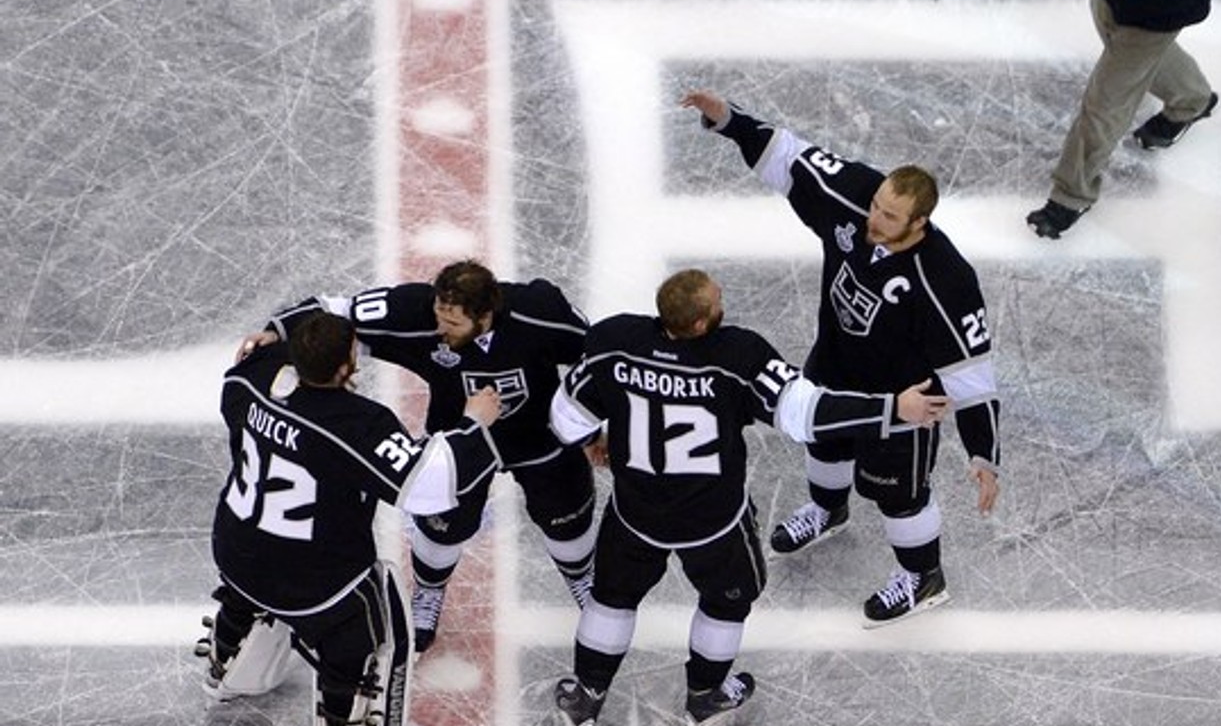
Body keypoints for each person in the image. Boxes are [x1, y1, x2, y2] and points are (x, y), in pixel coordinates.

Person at [547, 269, 952, 726]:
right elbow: (807, 417)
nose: (724, 303)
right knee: (725, 604)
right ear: (700, 323)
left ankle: (586, 696)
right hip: (715, 522)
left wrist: (592, 441)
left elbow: (565, 421)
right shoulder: (738, 356)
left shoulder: (613, 341)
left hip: (635, 513)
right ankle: (706, 694)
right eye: (717, 302)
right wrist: (893, 408)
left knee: (611, 598)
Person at [680, 89, 1001, 629]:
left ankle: (923, 578)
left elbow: (972, 371)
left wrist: (984, 453)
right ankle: (829, 510)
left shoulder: (946, 278)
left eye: (891, 216)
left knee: (902, 497)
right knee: (821, 439)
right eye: (877, 205)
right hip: (835, 363)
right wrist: (728, 120)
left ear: (918, 223)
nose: (874, 218)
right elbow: (791, 158)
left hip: (905, 402)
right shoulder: (856, 197)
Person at [240, 260, 599, 652]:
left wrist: (585, 422)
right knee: (443, 525)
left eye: (453, 324)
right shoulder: (417, 311)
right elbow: (335, 312)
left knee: (566, 518)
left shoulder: (541, 310)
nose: (440, 331)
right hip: (457, 439)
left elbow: (598, 355)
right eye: (438, 316)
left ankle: (581, 577)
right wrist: (278, 329)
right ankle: (429, 590)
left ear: (485, 315)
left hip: (540, 436)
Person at [201, 312, 503, 725]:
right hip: (315, 580)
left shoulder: (248, 378)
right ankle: (345, 708)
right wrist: (474, 422)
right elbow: (427, 487)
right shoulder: (360, 425)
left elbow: (261, 365)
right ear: (347, 367)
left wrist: (276, 334)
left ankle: (225, 652)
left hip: (236, 550)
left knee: (245, 583)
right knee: (363, 626)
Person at [1025, 0, 1221, 238]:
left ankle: (1070, 197)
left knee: (1105, 105)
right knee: (1128, 50)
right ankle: (1192, 98)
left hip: (1160, 4)